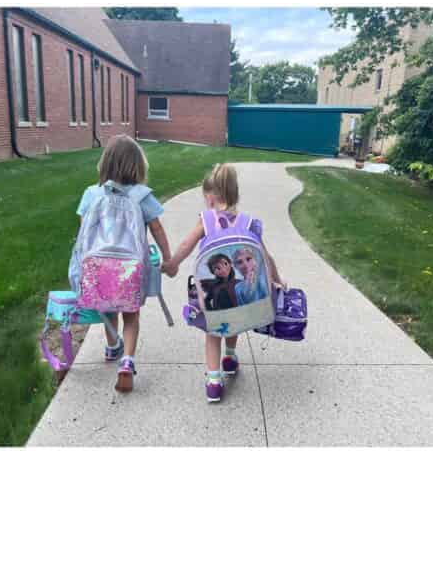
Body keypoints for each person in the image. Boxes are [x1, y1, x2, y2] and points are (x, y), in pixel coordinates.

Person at [162, 163, 284, 403]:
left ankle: (214, 381)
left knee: (213, 331)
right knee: (235, 320)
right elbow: (266, 256)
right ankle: (230, 357)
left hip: (216, 302)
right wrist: (277, 280)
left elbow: (187, 244)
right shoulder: (249, 223)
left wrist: (173, 263)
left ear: (209, 198)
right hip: (241, 302)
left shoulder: (206, 220)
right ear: (235, 195)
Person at [76, 135, 171, 392]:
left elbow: (83, 229)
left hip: (97, 263)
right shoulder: (142, 196)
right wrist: (168, 257)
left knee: (108, 307)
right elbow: (157, 227)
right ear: (138, 166)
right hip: (129, 266)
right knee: (131, 314)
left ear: (105, 163)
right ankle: (127, 361)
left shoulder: (92, 194)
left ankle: (111, 347)